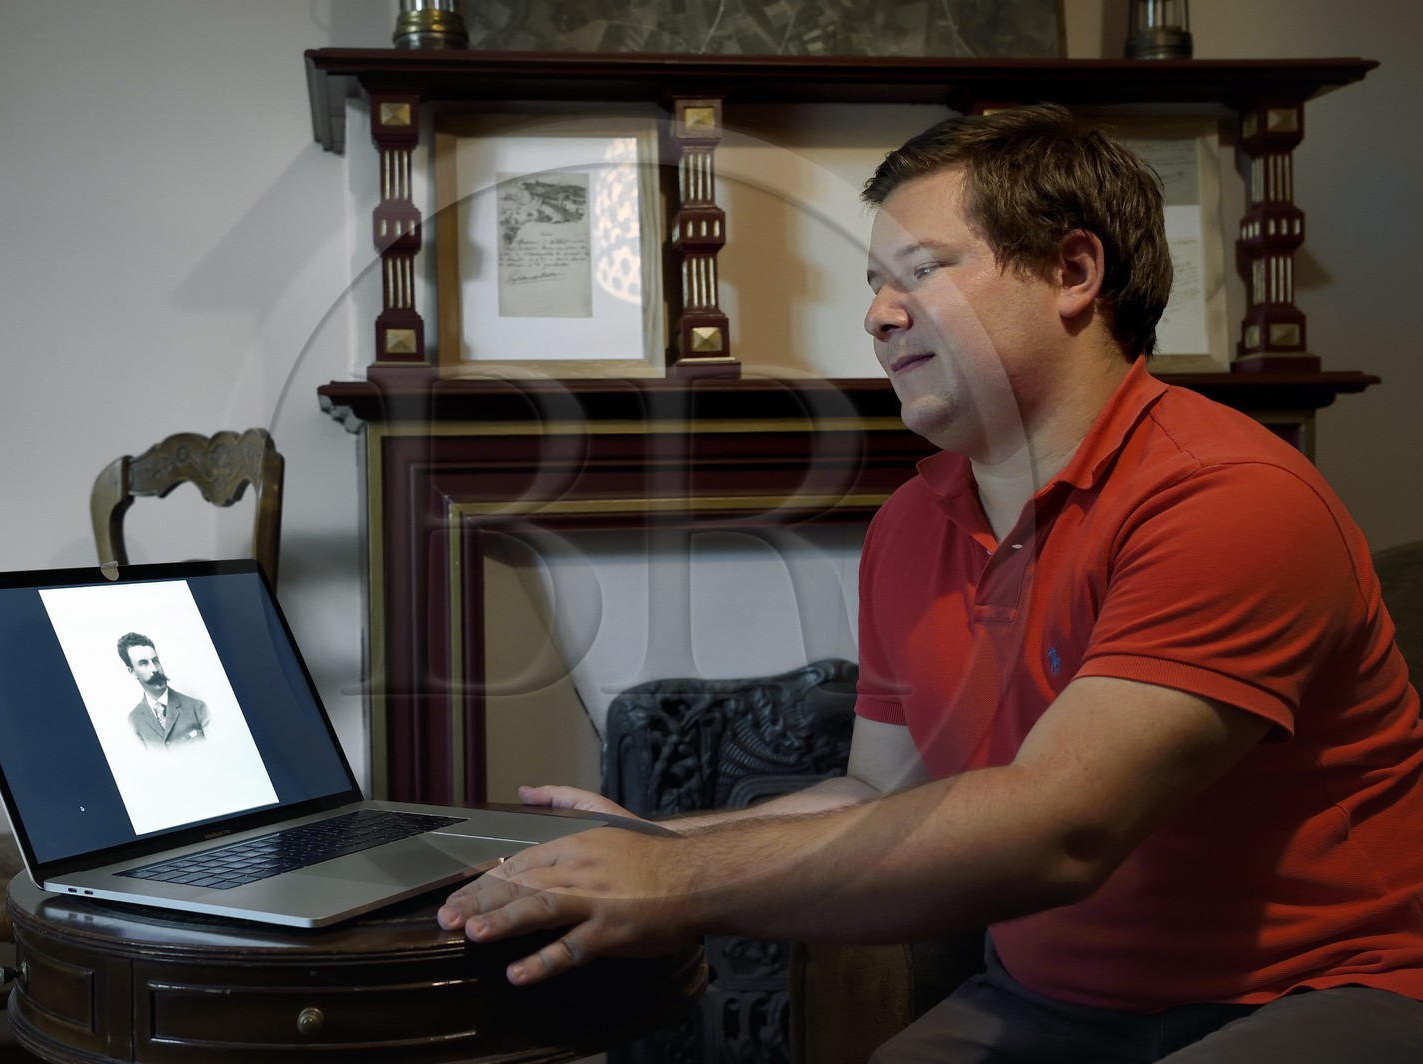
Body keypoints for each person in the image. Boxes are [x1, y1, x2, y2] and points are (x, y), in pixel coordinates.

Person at [435, 104, 1423, 1061]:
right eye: (873, 281)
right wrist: (649, 837)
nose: (876, 313)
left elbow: (1063, 826)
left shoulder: (1226, 496)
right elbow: (874, 787)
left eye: (924, 270)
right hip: (1049, 1002)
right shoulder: (913, 523)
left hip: (1321, 987)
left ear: (1074, 271)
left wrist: (679, 878)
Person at [119, 631, 210, 749]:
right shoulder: (134, 721)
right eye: (143, 663)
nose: (154, 669)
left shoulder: (198, 708)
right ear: (132, 672)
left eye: (155, 661)